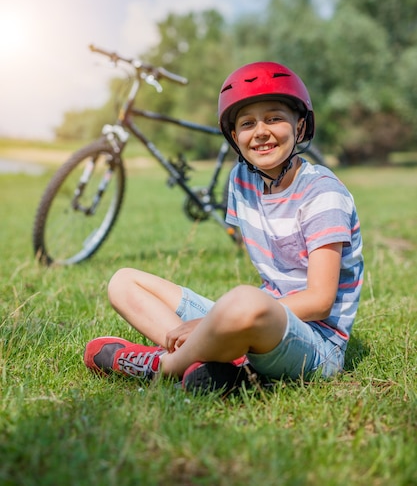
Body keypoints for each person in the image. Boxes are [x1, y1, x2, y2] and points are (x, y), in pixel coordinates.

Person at [84, 61, 364, 393]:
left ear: (300, 127)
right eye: (247, 123)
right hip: (256, 319)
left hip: (316, 346)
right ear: (234, 136)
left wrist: (208, 324)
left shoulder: (323, 192)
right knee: (123, 281)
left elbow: (319, 300)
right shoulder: (241, 179)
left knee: (245, 300)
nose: (260, 131)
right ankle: (210, 363)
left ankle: (164, 365)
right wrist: (215, 324)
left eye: (274, 118)